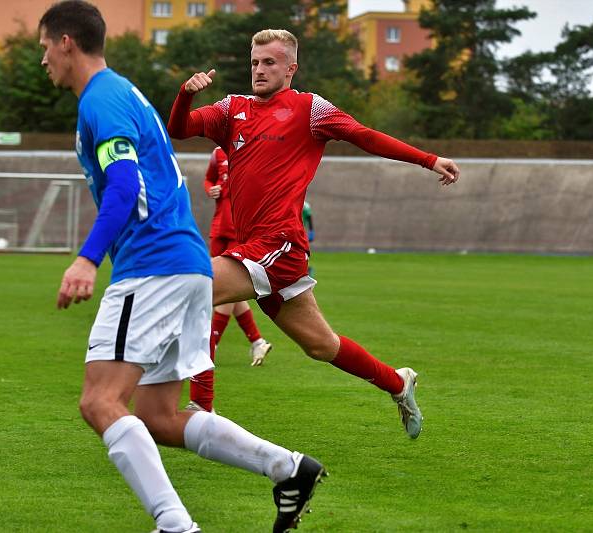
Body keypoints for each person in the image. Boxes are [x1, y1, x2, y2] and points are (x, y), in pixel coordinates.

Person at [39, 5, 325, 532]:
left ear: (65, 43)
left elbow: (124, 186)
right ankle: (290, 469)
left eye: (43, 48)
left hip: (153, 268)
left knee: (100, 401)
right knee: (158, 415)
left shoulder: (101, 101)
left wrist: (86, 258)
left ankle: (176, 526)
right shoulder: (123, 92)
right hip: (188, 266)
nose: (43, 61)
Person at [167, 28, 460, 440]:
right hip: (255, 250)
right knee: (322, 346)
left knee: (192, 287)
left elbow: (365, 136)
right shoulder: (232, 108)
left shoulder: (310, 109)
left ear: (291, 67)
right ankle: (398, 383)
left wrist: (429, 159)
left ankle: (202, 407)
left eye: (269, 62)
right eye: (254, 62)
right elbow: (179, 128)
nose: (259, 70)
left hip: (278, 245)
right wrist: (185, 94)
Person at [187, 146, 273, 413]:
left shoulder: (255, 149)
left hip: (240, 231)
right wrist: (209, 188)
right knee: (224, 291)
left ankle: (212, 345)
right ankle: (257, 341)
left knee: (220, 292)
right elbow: (209, 179)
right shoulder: (216, 152)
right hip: (218, 228)